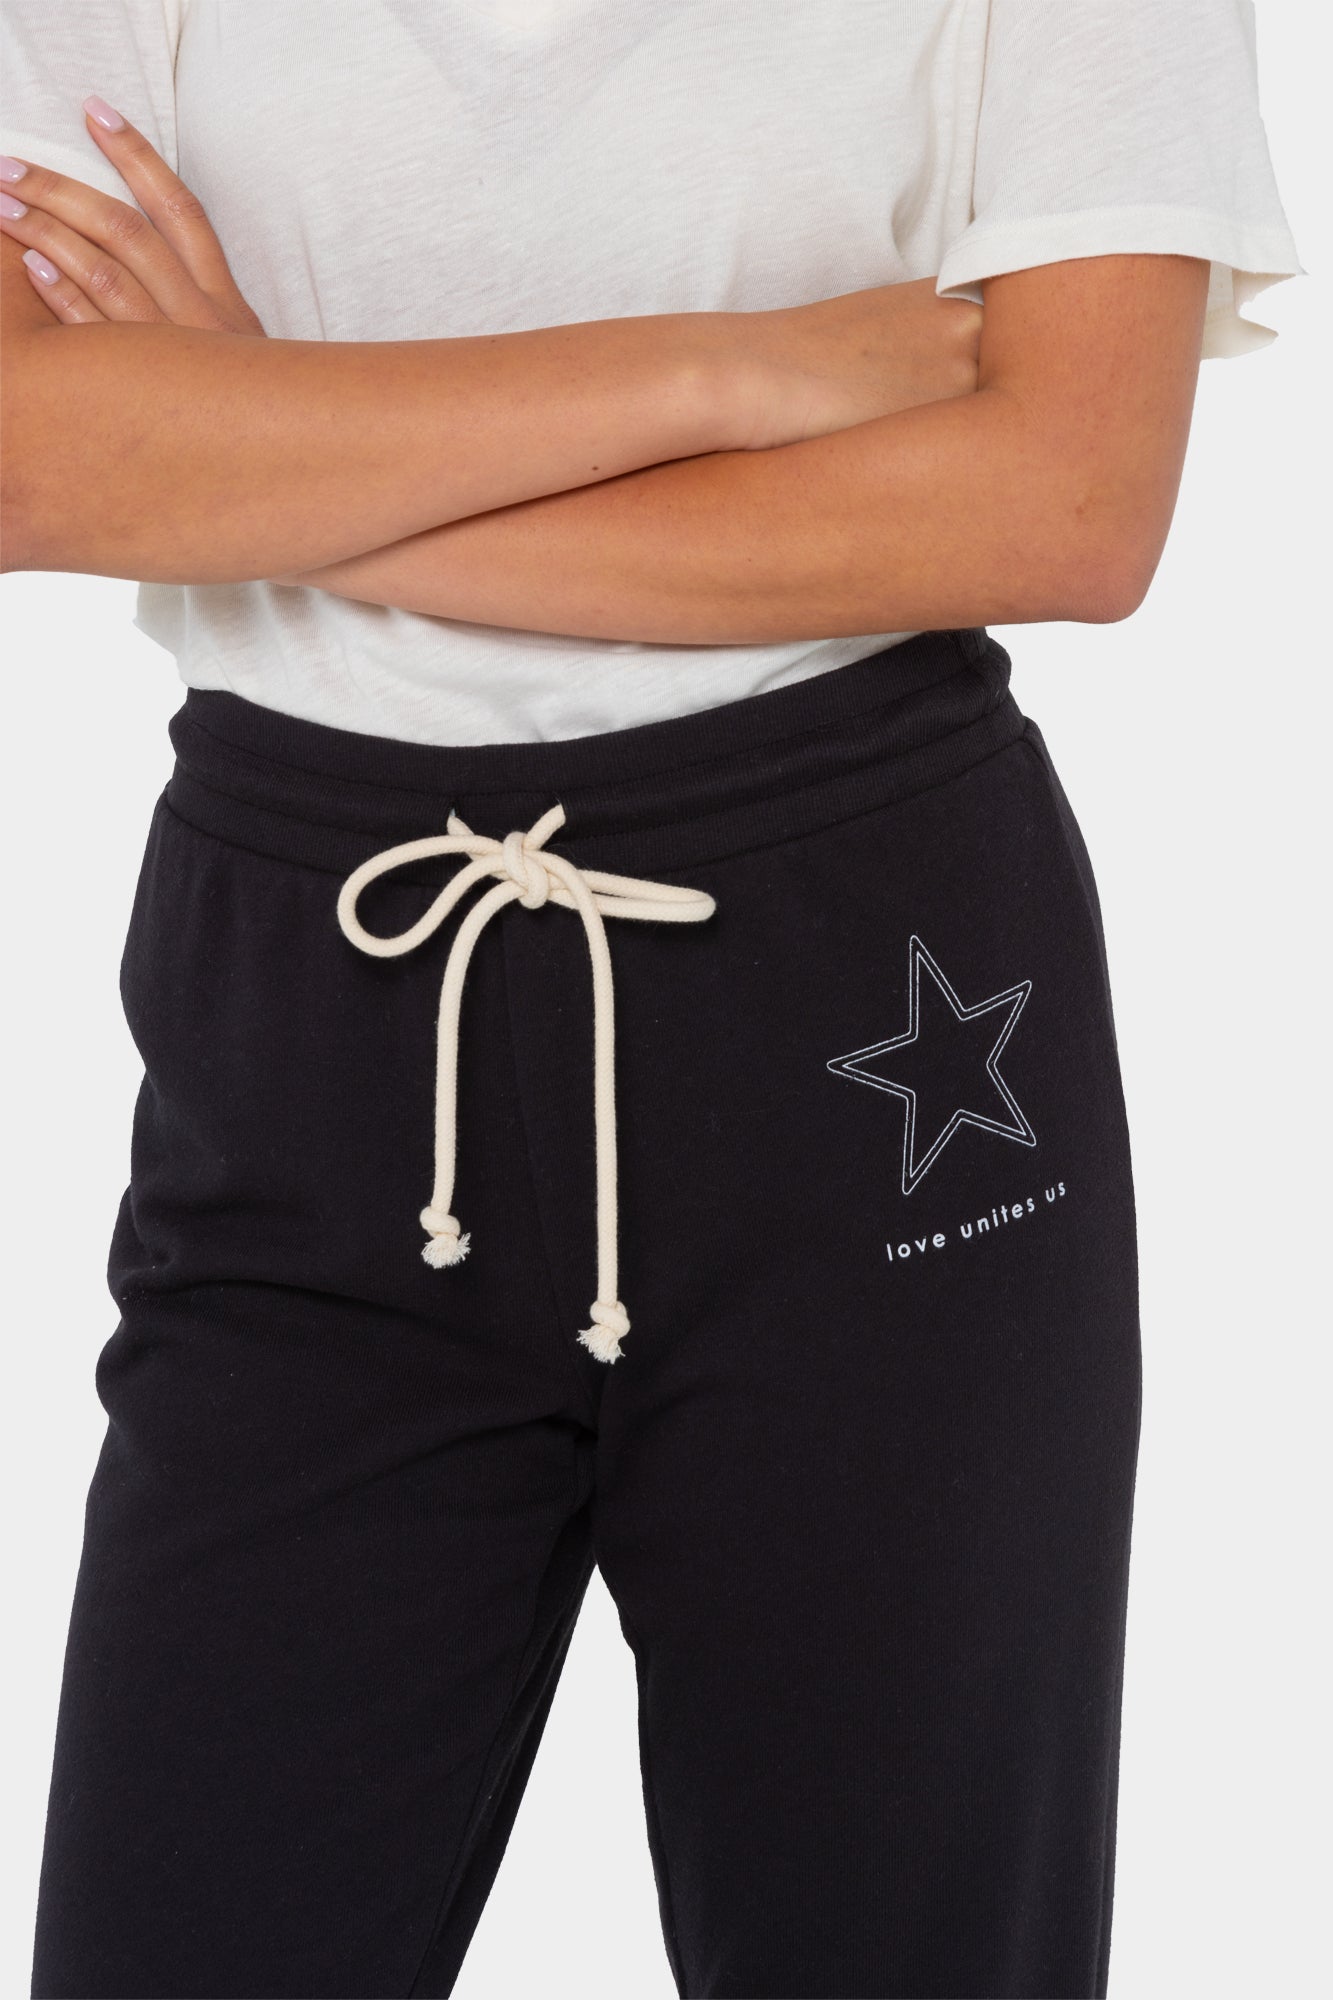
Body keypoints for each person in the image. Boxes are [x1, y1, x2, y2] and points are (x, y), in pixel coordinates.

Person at [0, 3, 1302, 1996]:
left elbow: (1060, 508)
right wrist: (726, 373)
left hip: (869, 1007)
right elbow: (34, 466)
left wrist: (273, 443)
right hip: (318, 1011)